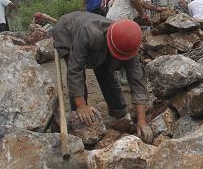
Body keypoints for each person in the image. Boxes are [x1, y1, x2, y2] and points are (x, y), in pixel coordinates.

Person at [52, 12, 153, 143]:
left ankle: (120, 113)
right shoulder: (89, 33)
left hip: (97, 41)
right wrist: (81, 105)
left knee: (106, 72)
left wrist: (142, 120)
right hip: (67, 31)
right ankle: (79, 116)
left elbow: (137, 81)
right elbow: (75, 69)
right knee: (79, 78)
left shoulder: (129, 45)